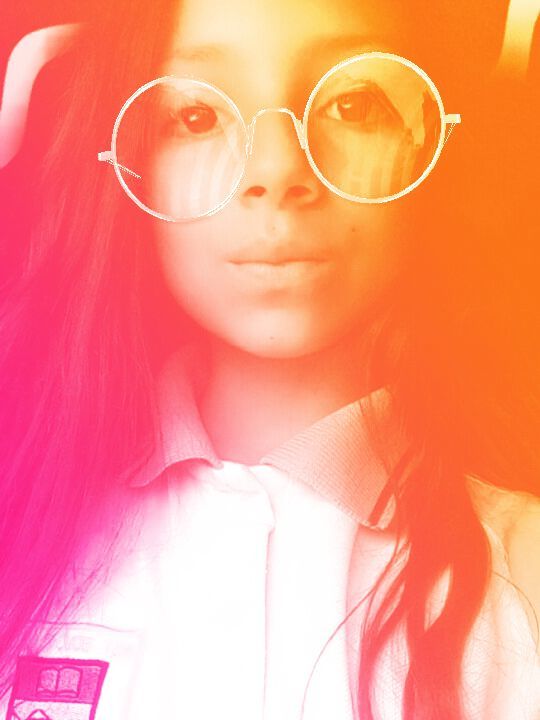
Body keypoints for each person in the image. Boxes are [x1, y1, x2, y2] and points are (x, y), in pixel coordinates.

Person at [0, 0, 539, 718]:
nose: (278, 169)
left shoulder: (524, 567)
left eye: (353, 103)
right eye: (196, 116)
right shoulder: (21, 531)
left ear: (433, 140)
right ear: (123, 159)